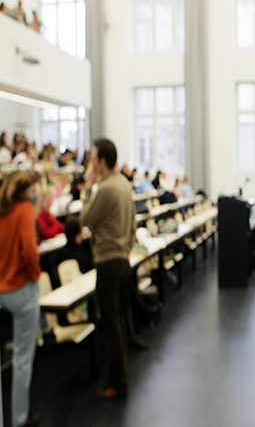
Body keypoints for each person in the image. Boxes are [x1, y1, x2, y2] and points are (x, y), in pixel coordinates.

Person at [80, 138, 136, 399]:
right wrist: (126, 249)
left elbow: (85, 219)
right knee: (118, 320)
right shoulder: (124, 184)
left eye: (93, 158)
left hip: (108, 262)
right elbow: (133, 225)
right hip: (122, 260)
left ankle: (118, 383)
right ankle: (121, 375)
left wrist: (87, 187)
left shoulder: (105, 189)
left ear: (102, 161)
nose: (91, 163)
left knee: (111, 324)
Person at [0, 171, 41, 427]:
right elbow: (29, 251)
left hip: (2, 289)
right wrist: (36, 275)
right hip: (21, 289)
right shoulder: (23, 210)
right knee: (22, 359)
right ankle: (19, 418)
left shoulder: (2, 212)